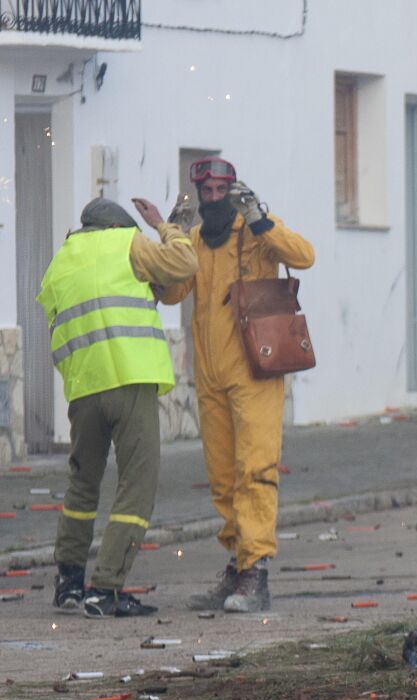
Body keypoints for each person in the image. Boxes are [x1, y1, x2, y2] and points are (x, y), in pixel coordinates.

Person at [157, 158, 315, 613]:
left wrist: (262, 218)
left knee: (255, 471)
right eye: (204, 194)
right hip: (211, 376)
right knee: (223, 478)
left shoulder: (256, 232)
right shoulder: (195, 243)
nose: (212, 200)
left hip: (255, 372)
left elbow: (304, 255)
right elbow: (170, 293)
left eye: (219, 192)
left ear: (232, 191)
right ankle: (237, 564)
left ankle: (256, 571)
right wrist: (170, 235)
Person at [38, 197, 198, 617]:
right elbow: (184, 264)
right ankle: (106, 587)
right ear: (116, 226)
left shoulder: (60, 263)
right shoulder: (126, 243)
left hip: (84, 387)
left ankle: (69, 581)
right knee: (137, 483)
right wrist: (164, 225)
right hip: (128, 376)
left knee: (82, 482)